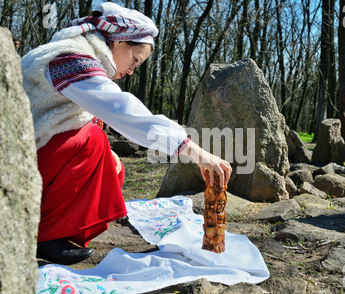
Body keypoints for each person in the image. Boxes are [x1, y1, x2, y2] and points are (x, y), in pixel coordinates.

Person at [21, 2, 232, 265]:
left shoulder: (77, 55)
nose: (131, 70)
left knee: (112, 165)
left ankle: (48, 228)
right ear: (119, 42)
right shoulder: (71, 58)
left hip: (30, 153)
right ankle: (45, 235)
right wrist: (194, 150)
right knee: (93, 142)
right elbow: (123, 112)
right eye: (135, 60)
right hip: (14, 160)